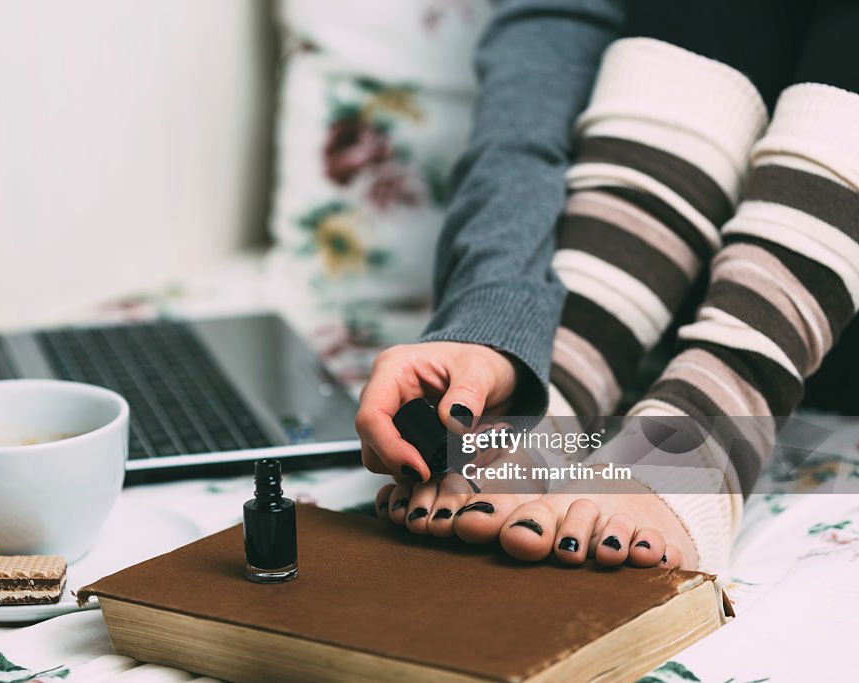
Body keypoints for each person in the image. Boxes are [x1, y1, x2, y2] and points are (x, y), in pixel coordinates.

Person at [355, 0, 859, 573]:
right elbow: (551, 42)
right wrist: (497, 328)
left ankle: (714, 411)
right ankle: (571, 378)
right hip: (656, 270)